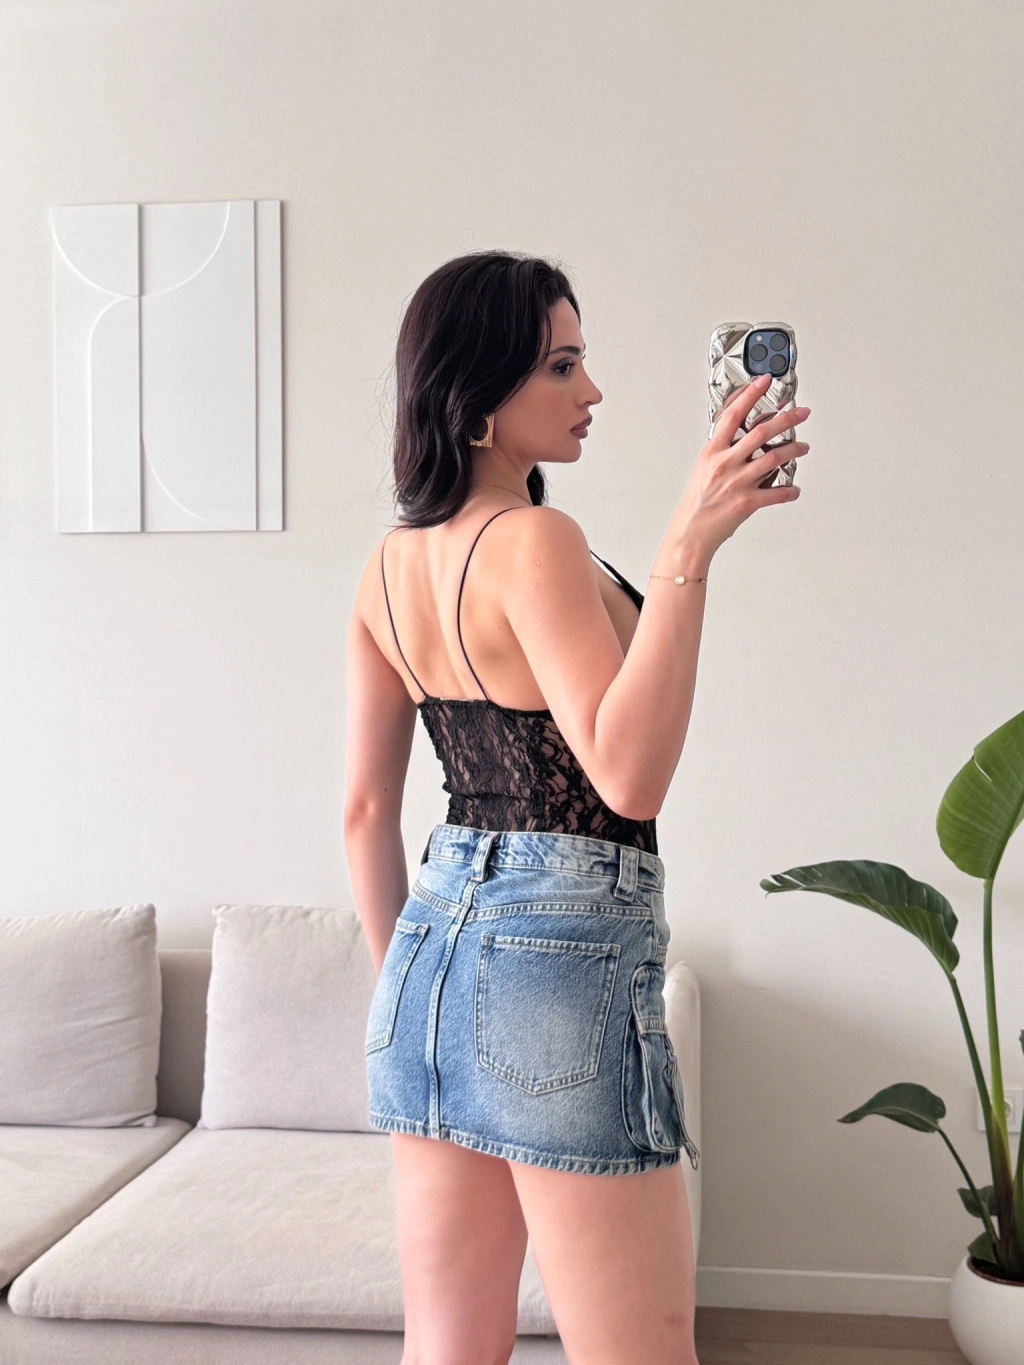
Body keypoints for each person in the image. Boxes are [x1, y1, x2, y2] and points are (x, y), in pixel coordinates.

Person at [343, 250, 810, 1365]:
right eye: (561, 365)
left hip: (420, 967)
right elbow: (626, 778)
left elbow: (363, 813)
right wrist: (688, 546)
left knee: (448, 1348)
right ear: (475, 392)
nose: (590, 390)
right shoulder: (534, 540)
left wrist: (416, 1000)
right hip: (555, 955)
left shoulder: (388, 563)